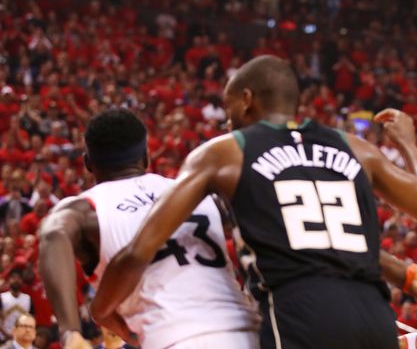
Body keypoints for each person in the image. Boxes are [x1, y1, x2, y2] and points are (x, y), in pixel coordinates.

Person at [91, 55, 417, 349]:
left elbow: (138, 251)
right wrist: (407, 144)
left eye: (229, 109)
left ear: (246, 100)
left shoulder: (226, 152)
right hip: (374, 316)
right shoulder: (353, 146)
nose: (227, 121)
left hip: (302, 313)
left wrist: (102, 310)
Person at [38, 108, 261, 349]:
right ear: (146, 156)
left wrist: (70, 330)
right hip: (250, 331)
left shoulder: (85, 210)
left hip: (176, 337)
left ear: (88, 164)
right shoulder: (196, 191)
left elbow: (53, 234)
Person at [0, 269, 33, 341]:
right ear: (9, 280)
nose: (16, 280)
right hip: (4, 338)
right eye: (13, 278)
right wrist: (6, 334)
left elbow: (31, 319)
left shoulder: (28, 298)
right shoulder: (2, 297)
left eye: (19, 278)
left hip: (22, 339)